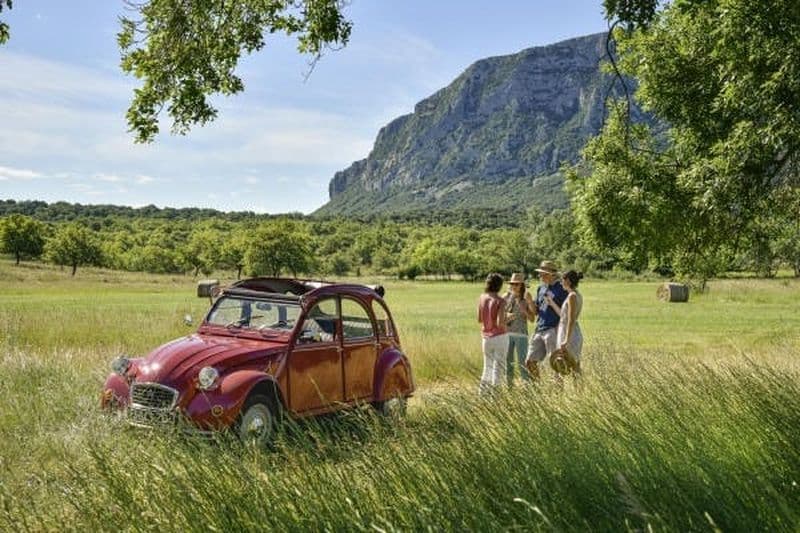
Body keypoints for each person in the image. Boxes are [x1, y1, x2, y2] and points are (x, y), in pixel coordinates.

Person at [524, 260, 567, 379]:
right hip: (539, 328)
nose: (540, 276)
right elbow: (536, 311)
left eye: (542, 273)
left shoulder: (561, 288)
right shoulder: (540, 288)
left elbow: (565, 312)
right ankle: (538, 390)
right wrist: (529, 301)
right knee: (529, 361)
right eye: (540, 273)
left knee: (555, 363)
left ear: (551, 274)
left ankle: (558, 392)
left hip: (553, 329)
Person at [477, 272, 508, 395]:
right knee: (498, 368)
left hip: (486, 338)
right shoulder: (501, 301)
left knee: (487, 367)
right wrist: (509, 318)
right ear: (499, 285)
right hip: (500, 337)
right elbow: (501, 323)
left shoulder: (482, 297)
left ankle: (482, 394)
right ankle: (495, 397)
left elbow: (480, 319)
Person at [550, 270, 584, 375]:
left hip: (569, 333)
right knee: (570, 364)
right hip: (569, 331)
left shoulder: (572, 296)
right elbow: (564, 316)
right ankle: (577, 390)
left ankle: (577, 390)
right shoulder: (575, 294)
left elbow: (571, 319)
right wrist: (552, 303)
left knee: (571, 364)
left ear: (568, 281)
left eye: (562, 280)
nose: (561, 283)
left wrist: (566, 340)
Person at [504, 272, 534, 385]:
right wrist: (506, 317)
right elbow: (499, 316)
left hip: (521, 334)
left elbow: (532, 319)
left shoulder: (527, 297)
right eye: (512, 284)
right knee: (508, 363)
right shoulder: (506, 296)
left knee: (522, 363)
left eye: (517, 284)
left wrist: (525, 310)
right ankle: (509, 388)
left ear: (522, 285)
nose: (514, 286)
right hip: (507, 334)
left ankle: (527, 389)